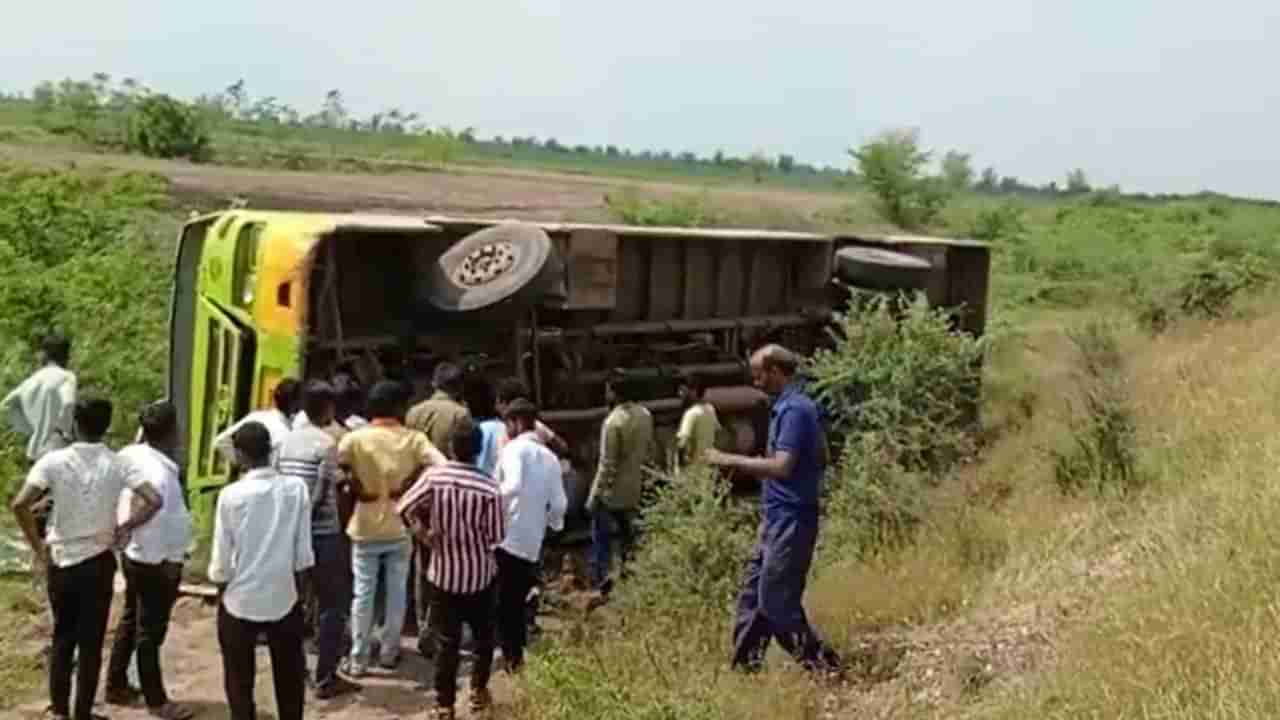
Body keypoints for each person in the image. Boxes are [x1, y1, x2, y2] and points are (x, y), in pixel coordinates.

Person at [10, 396, 163, 720]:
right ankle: (83, 712)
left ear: (75, 425)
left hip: (62, 558)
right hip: (98, 561)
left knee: (63, 635)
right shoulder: (118, 463)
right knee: (91, 642)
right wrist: (125, 527)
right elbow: (154, 499)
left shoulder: (53, 461)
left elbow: (20, 504)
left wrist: (39, 547)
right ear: (106, 426)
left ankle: (60, 710)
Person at [706, 344, 842, 675]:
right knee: (753, 601)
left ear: (776, 372)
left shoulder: (795, 410)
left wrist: (728, 460)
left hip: (791, 520)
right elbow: (822, 453)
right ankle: (743, 673)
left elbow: (781, 467)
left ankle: (823, 665)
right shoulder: (790, 407)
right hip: (778, 517)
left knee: (777, 602)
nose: (754, 381)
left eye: (758, 374)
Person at [208, 421, 315, 720]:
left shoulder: (230, 495)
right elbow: (303, 555)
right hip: (284, 596)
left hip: (239, 599)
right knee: (290, 676)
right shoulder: (296, 489)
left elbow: (221, 559)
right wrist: (301, 597)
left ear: (240, 457)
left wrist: (221, 589)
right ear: (270, 451)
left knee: (239, 678)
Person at [338, 380, 446, 675]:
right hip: (401, 526)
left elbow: (337, 468)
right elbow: (441, 465)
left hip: (364, 526)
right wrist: (413, 483)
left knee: (363, 593)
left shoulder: (354, 439)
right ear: (400, 407)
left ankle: (358, 659)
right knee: (397, 591)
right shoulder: (414, 440)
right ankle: (389, 652)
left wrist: (355, 483)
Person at [397, 423, 504, 720]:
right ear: (478, 450)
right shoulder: (489, 487)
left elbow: (404, 506)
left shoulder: (434, 477)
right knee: (483, 639)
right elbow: (497, 536)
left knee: (447, 642)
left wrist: (423, 532)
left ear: (452, 448)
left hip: (442, 574)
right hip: (480, 575)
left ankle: (444, 706)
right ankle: (478, 694)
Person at [104, 401, 194, 719]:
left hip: (135, 554)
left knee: (131, 619)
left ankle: (115, 684)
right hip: (155, 560)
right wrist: (129, 524)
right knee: (150, 632)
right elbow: (150, 503)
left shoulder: (132, 454)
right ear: (171, 432)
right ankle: (157, 701)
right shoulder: (159, 472)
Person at [278, 381, 361, 699]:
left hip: (289, 534)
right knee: (332, 606)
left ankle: (294, 672)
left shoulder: (286, 442)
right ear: (328, 408)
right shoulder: (326, 444)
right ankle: (326, 677)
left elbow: (281, 485)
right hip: (322, 535)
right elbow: (320, 495)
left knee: (293, 604)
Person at [405, 363, 473, 654]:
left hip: (418, 493)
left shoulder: (413, 412)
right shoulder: (461, 414)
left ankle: (424, 625)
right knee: (451, 559)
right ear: (458, 388)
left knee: (421, 563)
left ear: (434, 383)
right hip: (449, 494)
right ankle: (446, 623)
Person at [493, 398, 566, 672]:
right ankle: (517, 657)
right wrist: (550, 526)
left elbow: (510, 487)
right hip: (533, 541)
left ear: (516, 422)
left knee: (504, 603)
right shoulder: (550, 457)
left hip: (506, 537)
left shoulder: (513, 450)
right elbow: (559, 505)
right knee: (521, 598)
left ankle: (510, 659)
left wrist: (487, 507)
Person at [3, 333, 77, 544]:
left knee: (37, 509)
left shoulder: (32, 381)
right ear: (66, 355)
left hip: (35, 451)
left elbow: (7, 406)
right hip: (58, 449)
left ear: (44, 354)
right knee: (58, 509)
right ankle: (53, 558)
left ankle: (40, 556)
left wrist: (32, 429)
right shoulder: (66, 377)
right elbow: (69, 403)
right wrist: (66, 431)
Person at [585, 373, 653, 596]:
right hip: (634, 485)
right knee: (628, 534)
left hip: (612, 492)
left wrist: (594, 494)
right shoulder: (645, 415)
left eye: (608, 390)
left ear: (614, 392)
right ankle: (630, 573)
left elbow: (607, 464)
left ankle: (601, 578)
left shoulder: (613, 422)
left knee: (601, 534)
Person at [213, 378, 301, 466]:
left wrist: (243, 463)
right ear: (295, 404)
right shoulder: (288, 432)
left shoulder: (256, 416)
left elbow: (220, 441)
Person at [493, 378, 569, 458]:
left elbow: (562, 447)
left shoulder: (501, 430)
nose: (496, 407)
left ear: (504, 403)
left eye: (498, 402)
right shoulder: (537, 425)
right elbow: (562, 447)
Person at [675, 372, 721, 469]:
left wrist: (680, 466)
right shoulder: (710, 409)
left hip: (692, 470)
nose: (680, 394)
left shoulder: (691, 414)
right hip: (707, 467)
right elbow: (717, 432)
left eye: (683, 391)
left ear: (693, 392)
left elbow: (682, 443)